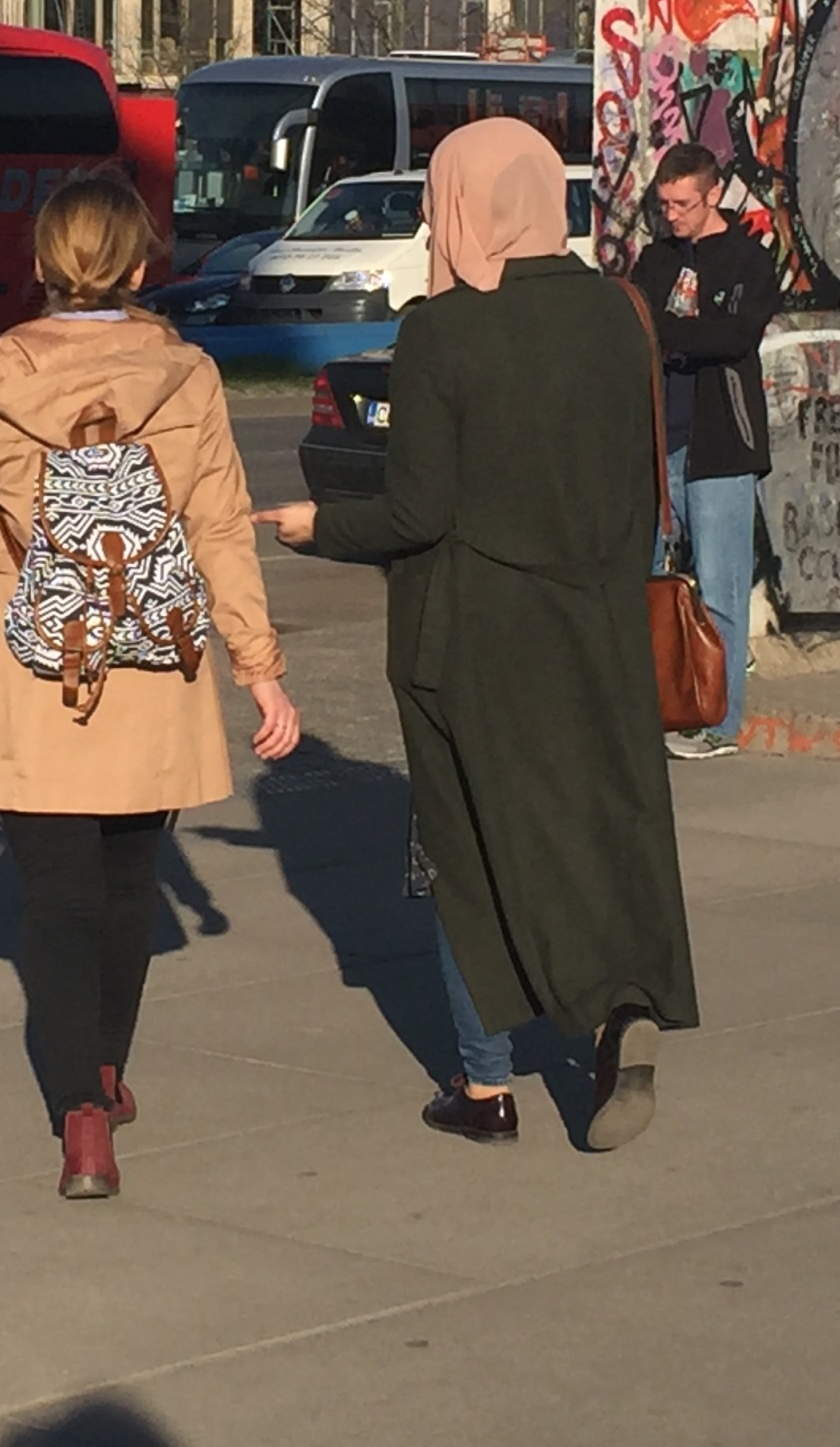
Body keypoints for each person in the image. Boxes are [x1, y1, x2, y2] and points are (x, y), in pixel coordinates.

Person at [257, 119, 696, 1154]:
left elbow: (416, 513)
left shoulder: (445, 330)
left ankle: (484, 1081)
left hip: (475, 631)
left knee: (468, 847)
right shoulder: (615, 311)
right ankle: (618, 1002)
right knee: (591, 827)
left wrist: (320, 527)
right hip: (593, 621)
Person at [0, 172, 301, 1199]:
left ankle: (80, 1113)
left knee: (55, 893)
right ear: (138, 266)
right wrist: (256, 666)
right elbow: (220, 526)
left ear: (39, 265)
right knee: (128, 885)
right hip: (148, 657)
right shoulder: (190, 376)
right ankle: (109, 1070)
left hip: (29, 658)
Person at [632, 141, 780, 760]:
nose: (674, 215)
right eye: (665, 204)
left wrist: (672, 335)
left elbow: (735, 335)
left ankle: (720, 722)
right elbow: (634, 323)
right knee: (652, 579)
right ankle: (659, 704)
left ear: (713, 194)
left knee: (721, 585)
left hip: (722, 444)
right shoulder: (654, 260)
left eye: (684, 204)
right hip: (660, 440)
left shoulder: (747, 259)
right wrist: (674, 338)